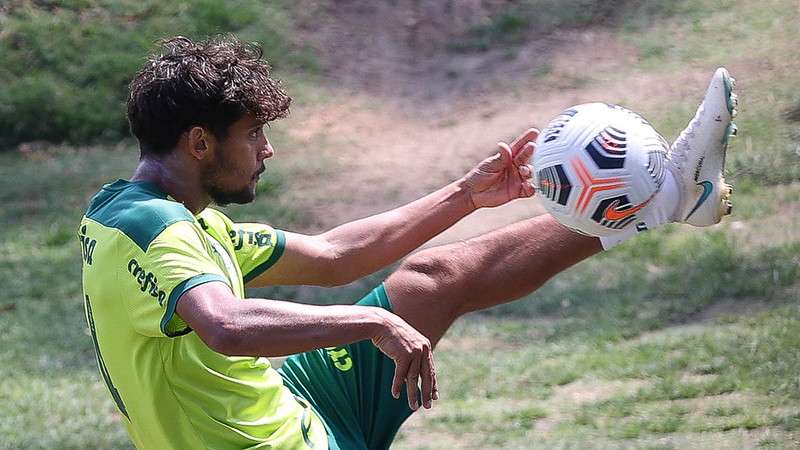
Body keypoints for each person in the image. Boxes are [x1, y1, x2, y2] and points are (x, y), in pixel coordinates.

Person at [79, 35, 736, 450]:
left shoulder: (175, 219)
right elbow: (225, 325)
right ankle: (666, 197)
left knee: (431, 279)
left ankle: (667, 197)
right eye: (253, 134)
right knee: (398, 303)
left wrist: (465, 196)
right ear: (200, 142)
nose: (267, 149)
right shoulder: (153, 231)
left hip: (298, 411)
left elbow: (337, 256)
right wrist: (370, 322)